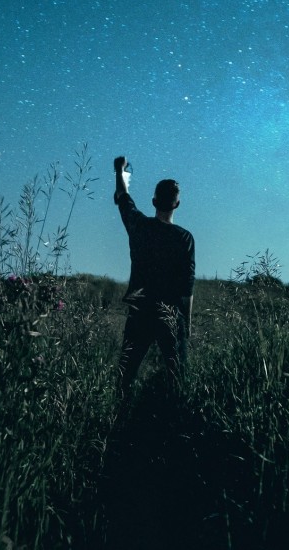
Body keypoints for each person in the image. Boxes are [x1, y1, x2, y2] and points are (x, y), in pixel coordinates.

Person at [113, 156, 195, 398]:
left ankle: (117, 420)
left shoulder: (139, 226)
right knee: (176, 376)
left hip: (140, 311)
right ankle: (173, 423)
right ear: (177, 204)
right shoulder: (184, 238)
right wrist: (186, 324)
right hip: (170, 313)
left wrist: (119, 171)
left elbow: (123, 198)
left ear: (153, 201)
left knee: (125, 375)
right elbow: (186, 286)